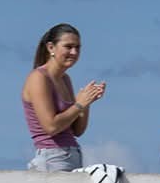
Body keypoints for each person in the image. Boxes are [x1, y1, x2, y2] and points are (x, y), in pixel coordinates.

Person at [21, 23, 104, 171]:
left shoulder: (65, 79)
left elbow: (77, 130)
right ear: (51, 47)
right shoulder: (39, 78)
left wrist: (86, 102)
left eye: (77, 47)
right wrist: (79, 105)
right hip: (52, 158)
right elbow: (51, 126)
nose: (74, 52)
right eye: (68, 46)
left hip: (72, 156)